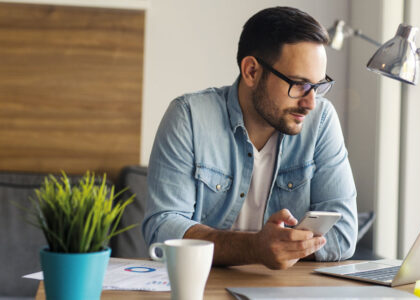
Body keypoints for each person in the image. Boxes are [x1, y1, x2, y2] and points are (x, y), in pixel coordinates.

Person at [142, 6, 357, 270]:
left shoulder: (321, 121)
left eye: (318, 86)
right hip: (203, 286)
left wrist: (279, 248)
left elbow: (344, 234)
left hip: (287, 289)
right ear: (252, 71)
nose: (311, 102)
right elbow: (162, 228)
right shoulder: (189, 117)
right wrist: (255, 248)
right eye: (299, 84)